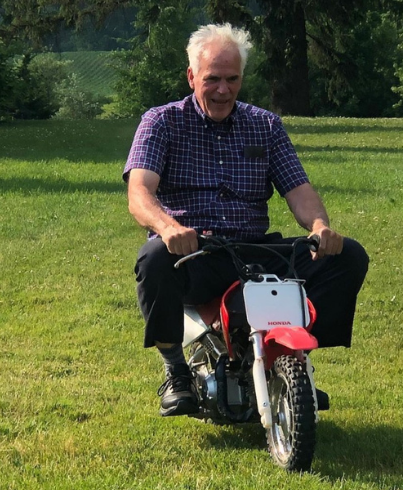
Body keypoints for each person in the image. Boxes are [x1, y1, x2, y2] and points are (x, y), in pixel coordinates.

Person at [123, 23, 369, 417]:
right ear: (191, 77)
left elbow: (299, 191)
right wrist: (169, 229)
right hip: (196, 250)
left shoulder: (265, 125)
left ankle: (294, 362)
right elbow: (139, 193)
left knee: (349, 257)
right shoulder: (161, 122)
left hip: (254, 247)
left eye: (232, 79)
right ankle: (176, 372)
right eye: (213, 79)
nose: (223, 89)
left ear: (242, 78)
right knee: (152, 259)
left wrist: (320, 226)